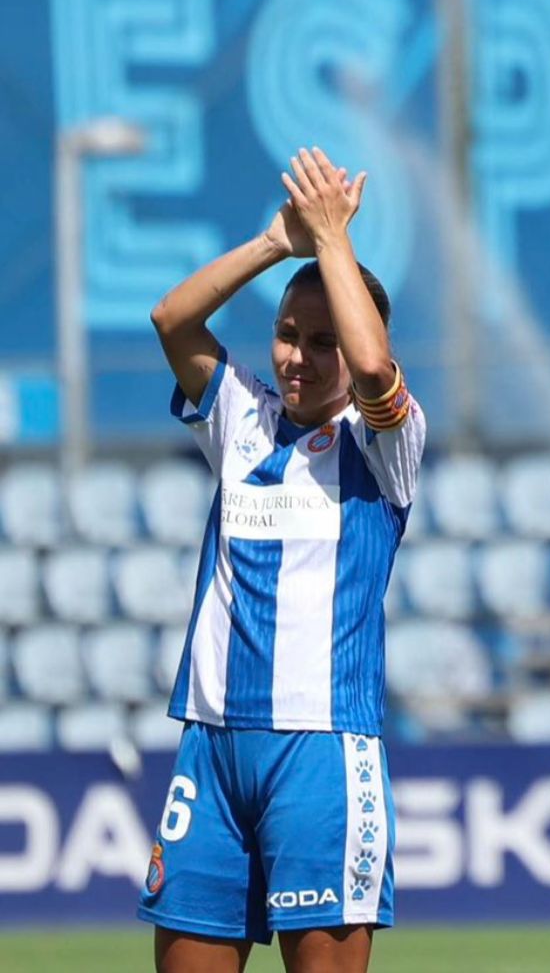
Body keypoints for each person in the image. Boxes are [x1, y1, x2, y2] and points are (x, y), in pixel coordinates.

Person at [139, 148, 423, 973]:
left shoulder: (387, 444)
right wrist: (277, 241)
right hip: (213, 747)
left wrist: (334, 240)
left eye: (321, 342)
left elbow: (374, 370)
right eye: (288, 336)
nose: (298, 358)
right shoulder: (243, 418)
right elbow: (171, 320)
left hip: (322, 752)